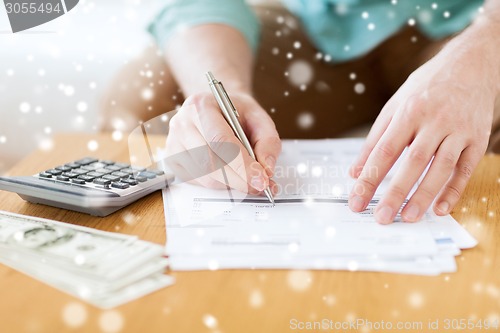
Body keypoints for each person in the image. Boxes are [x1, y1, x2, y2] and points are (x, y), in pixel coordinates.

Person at [101, 0, 500, 224]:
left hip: (476, 21)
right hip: (320, 23)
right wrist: (221, 93)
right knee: (146, 95)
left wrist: (484, 48)